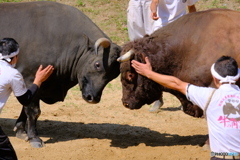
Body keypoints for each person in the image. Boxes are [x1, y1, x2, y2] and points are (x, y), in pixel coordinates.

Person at [131, 55, 240, 160]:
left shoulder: (208, 96)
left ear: (214, 78)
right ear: (237, 76)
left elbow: (176, 84)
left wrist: (148, 73)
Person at [0, 38, 54, 160]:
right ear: (15, 57)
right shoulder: (12, 74)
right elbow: (25, 100)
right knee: (8, 157)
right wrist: (38, 80)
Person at [149, 0, 198, 112]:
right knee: (157, 65)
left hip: (180, 30)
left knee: (183, 65)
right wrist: (153, 11)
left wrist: (194, 25)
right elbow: (154, 2)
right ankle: (158, 98)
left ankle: (186, 100)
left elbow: (192, 8)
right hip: (161, 28)